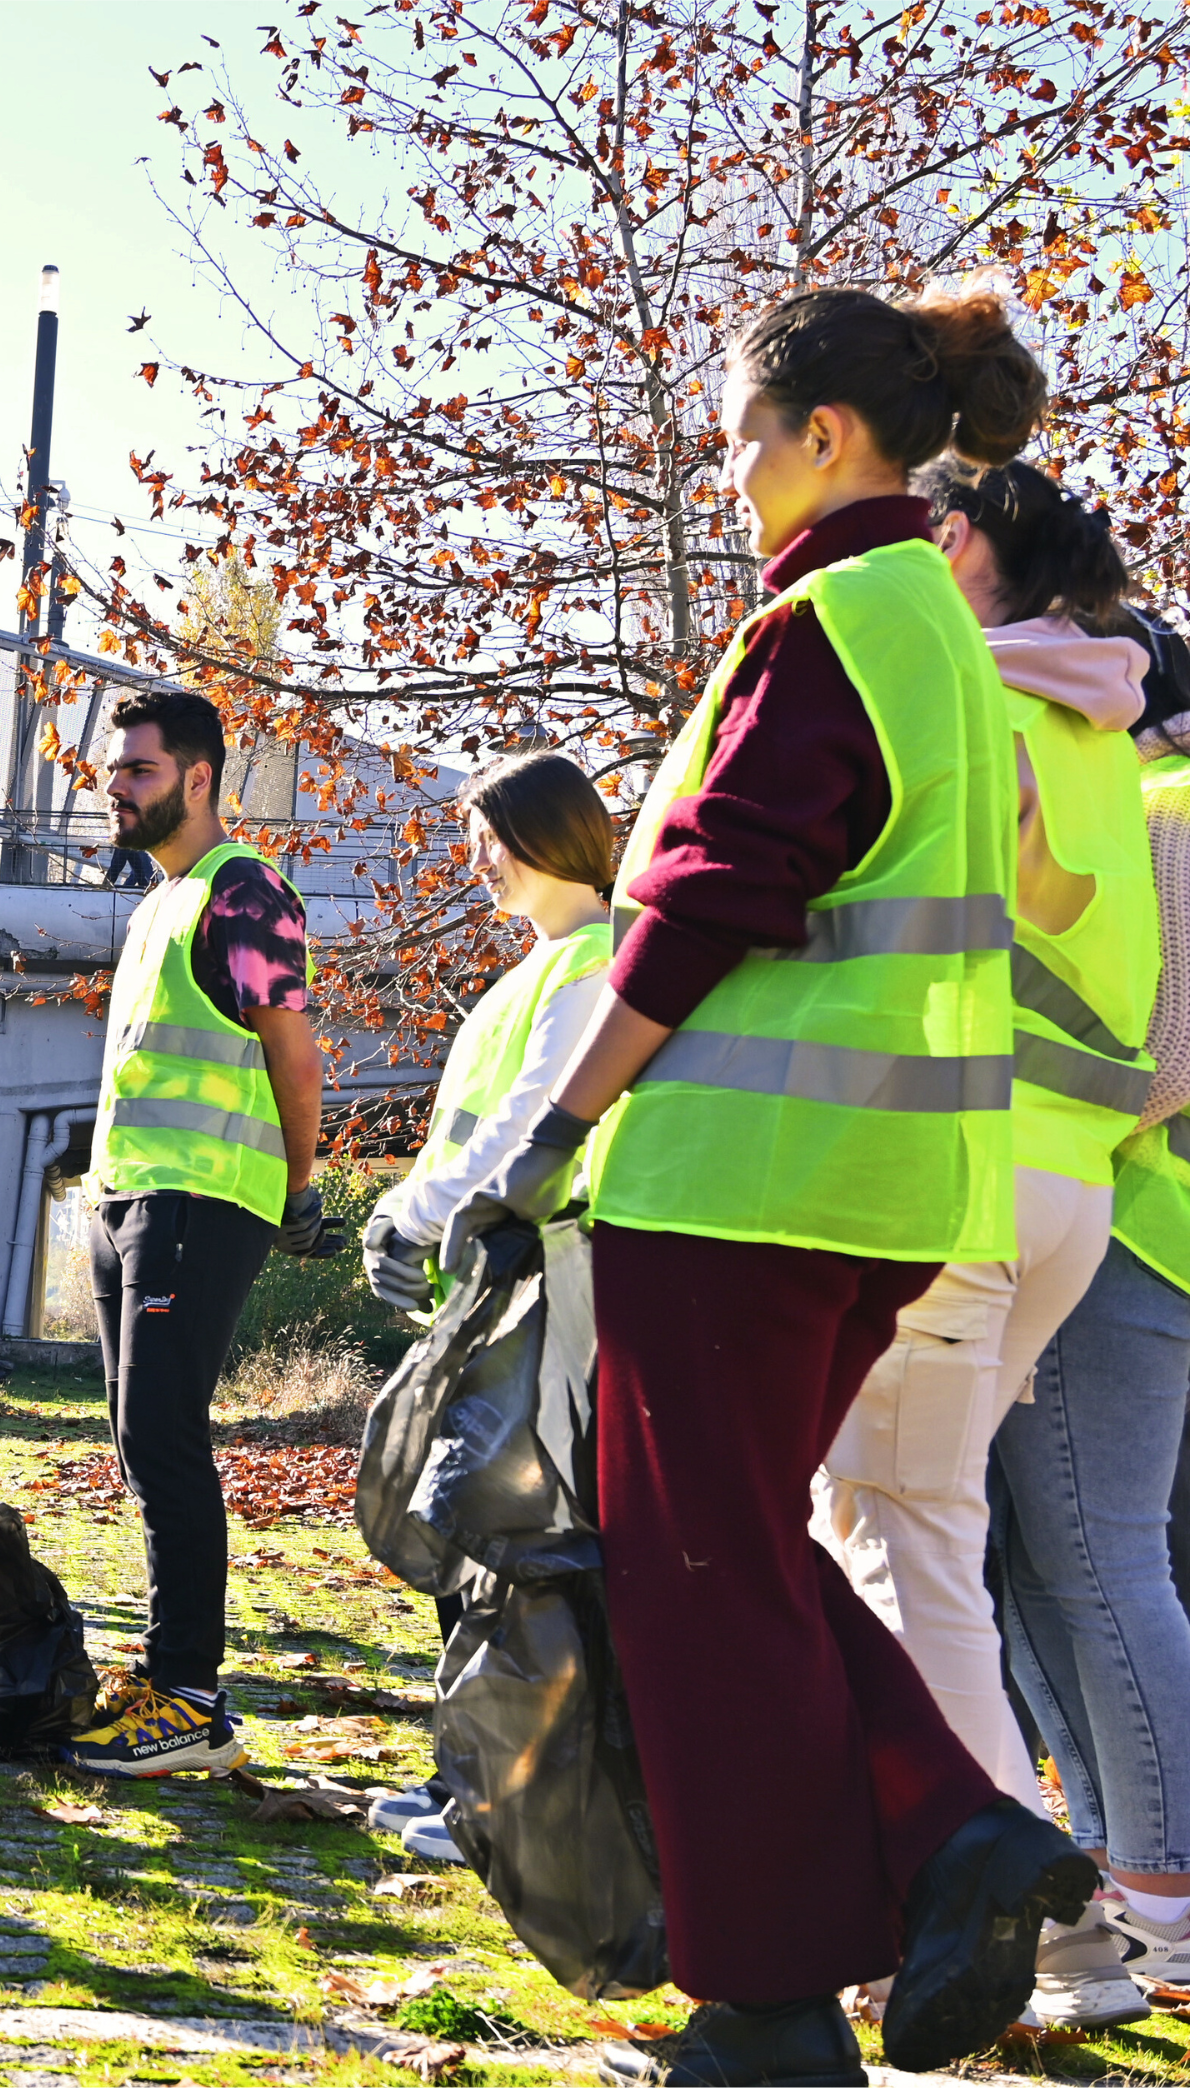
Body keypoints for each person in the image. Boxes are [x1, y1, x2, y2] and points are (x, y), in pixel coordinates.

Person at [453, 285, 1095, 2082]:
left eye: (739, 435)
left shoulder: (826, 622)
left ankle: (779, 1995)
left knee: (697, 1575)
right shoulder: (935, 631)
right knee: (730, 1553)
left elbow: (709, 895)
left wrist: (550, 1123)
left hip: (742, 1181)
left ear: (823, 435)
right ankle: (928, 1860)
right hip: (882, 1186)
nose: (725, 471)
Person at [933, 476, 1190, 2027]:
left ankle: (1154, 1891)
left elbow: (1162, 1049)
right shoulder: (1139, 787)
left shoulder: (1166, 807)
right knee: (1054, 1560)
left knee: (1090, 1557)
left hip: (1131, 1222)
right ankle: (1116, 1870)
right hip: (1120, 1217)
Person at [61, 689, 343, 1781]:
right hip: (130, 1199)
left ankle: (190, 1699)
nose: (115, 788)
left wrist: (298, 1188)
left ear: (197, 778)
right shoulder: (157, 906)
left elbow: (294, 1052)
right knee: (141, 1438)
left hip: (203, 1197)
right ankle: (168, 1681)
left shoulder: (244, 891)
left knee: (165, 1434)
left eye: (137, 770)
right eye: (113, 771)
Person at [357, 751, 614, 1862]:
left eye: (492, 838)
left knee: (504, 1546)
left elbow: (530, 1123)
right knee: (474, 1542)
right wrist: (410, 1214)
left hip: (543, 1283)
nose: (479, 860)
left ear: (552, 833)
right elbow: (473, 1133)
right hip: (497, 1284)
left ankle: (501, 1804)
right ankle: (475, 1785)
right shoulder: (540, 969)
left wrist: (412, 1218)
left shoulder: (593, 962)